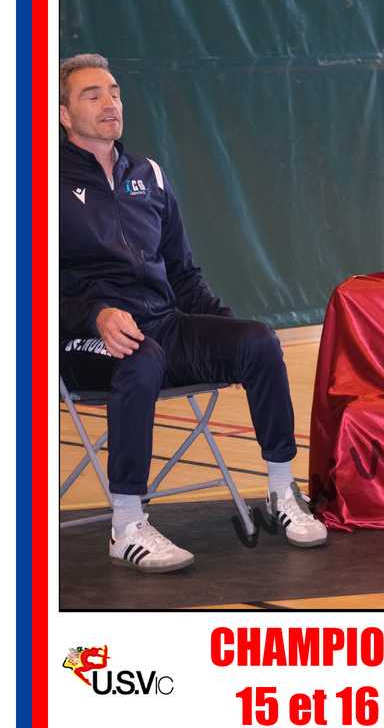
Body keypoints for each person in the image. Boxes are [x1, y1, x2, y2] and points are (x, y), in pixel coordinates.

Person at [58, 53, 326, 573]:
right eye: (92, 95)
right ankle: (126, 525)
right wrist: (95, 315)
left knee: (258, 341)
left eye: (114, 92)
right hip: (84, 340)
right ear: (64, 114)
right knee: (140, 357)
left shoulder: (149, 175)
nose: (110, 103)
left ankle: (281, 492)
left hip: (162, 326)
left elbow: (182, 273)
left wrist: (227, 330)